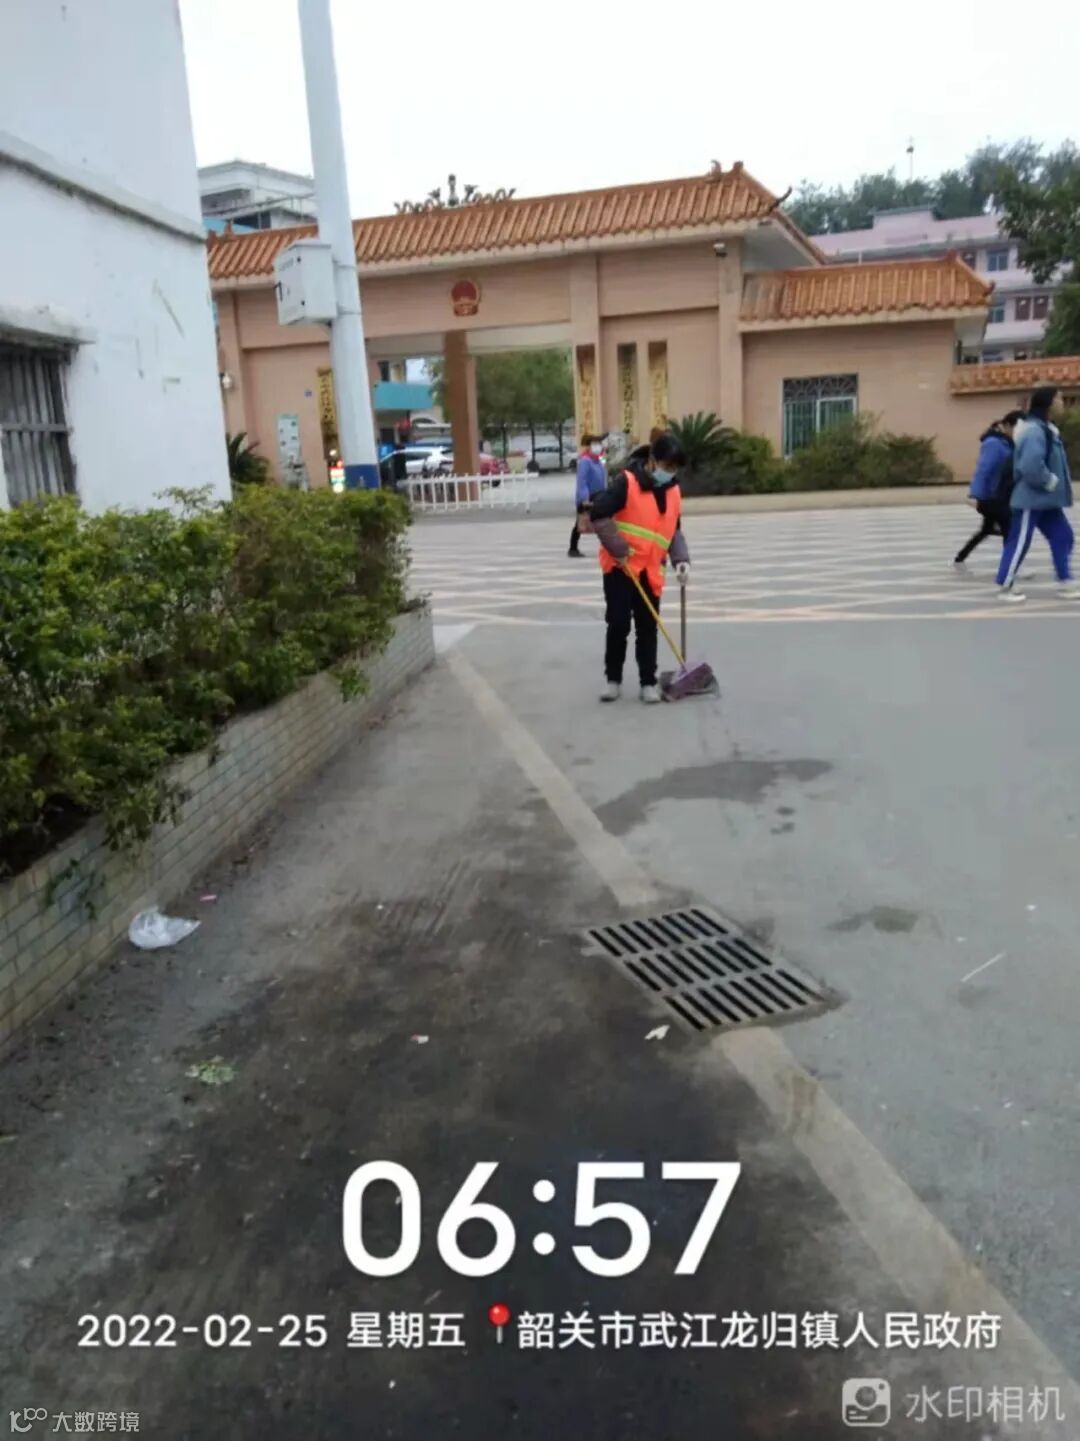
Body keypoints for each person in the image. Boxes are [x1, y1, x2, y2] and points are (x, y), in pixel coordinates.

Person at [590, 432, 690, 703]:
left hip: (651, 571)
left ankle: (648, 682)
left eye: (675, 468)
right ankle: (613, 680)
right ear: (652, 460)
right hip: (620, 567)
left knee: (648, 627)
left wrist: (681, 560)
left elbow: (673, 529)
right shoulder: (627, 482)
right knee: (619, 624)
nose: (670, 473)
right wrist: (618, 548)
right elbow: (598, 514)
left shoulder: (674, 491)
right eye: (667, 466)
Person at [997, 386, 1079, 603]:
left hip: (1047, 501)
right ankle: (1006, 585)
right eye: (1059, 399)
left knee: (1063, 537)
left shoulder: (1047, 428)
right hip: (1030, 499)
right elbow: (1030, 465)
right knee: (1019, 542)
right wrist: (1049, 481)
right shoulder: (1034, 430)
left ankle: (1065, 580)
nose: (1062, 402)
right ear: (1048, 403)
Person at [954, 411, 1024, 567]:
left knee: (987, 529)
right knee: (1009, 530)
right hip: (993, 496)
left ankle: (960, 558)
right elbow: (984, 469)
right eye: (1018, 428)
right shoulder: (994, 443)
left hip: (1003, 494)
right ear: (1007, 426)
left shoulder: (1009, 443)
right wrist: (975, 494)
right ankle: (1011, 566)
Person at [568, 435, 607, 557]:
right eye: (595, 444)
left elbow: (603, 477)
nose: (598, 446)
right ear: (589, 446)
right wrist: (584, 499)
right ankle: (573, 548)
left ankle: (607, 546)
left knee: (602, 522)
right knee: (580, 523)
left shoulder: (598, 461)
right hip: (588, 497)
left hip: (599, 496)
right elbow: (582, 481)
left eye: (599, 444)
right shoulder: (585, 461)